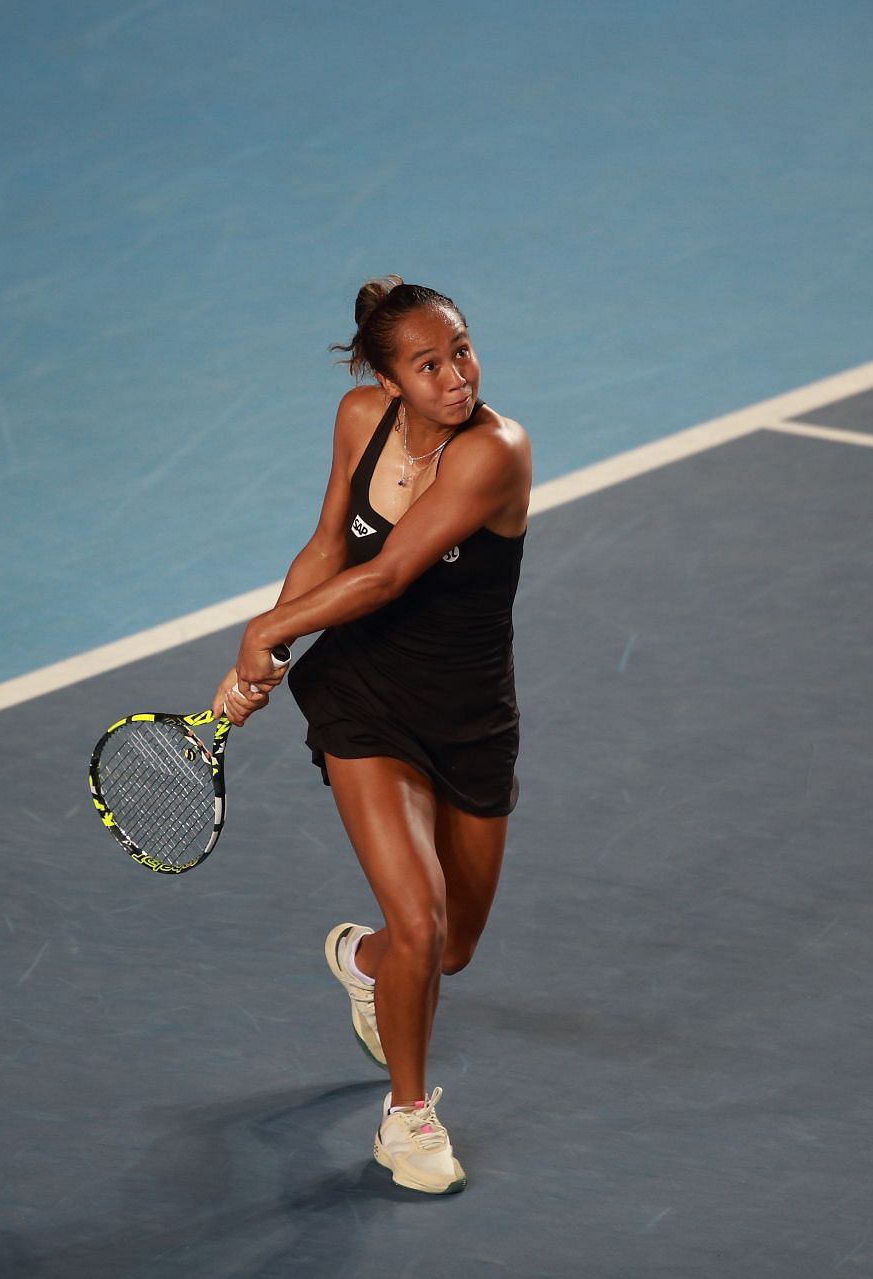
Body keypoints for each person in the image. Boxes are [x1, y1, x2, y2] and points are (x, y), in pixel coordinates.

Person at [215, 277, 530, 1195]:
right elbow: (328, 543)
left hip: (471, 715)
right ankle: (407, 1116)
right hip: (364, 696)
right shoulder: (359, 419)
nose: (456, 377)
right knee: (423, 918)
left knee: (448, 945)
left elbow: (390, 571)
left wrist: (262, 635)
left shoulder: (494, 452)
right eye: (428, 365)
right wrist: (266, 654)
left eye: (462, 351)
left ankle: (363, 958)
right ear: (387, 380)